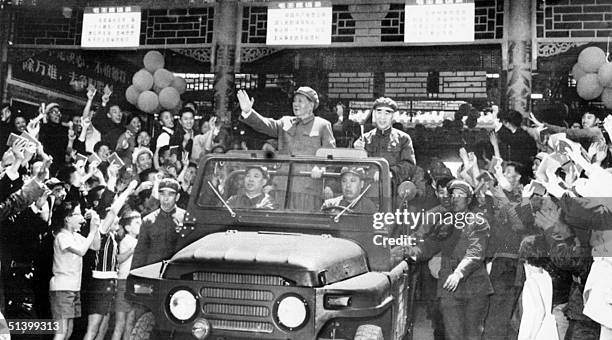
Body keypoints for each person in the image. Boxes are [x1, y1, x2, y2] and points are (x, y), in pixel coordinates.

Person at [408, 180, 492, 340]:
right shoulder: (444, 223)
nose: (455, 198)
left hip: (474, 287)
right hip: (449, 285)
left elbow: (476, 253)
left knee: (472, 335)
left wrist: (459, 273)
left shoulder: (479, 223)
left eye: (461, 195)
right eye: (453, 194)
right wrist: (411, 253)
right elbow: (429, 246)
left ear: (469, 199)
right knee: (452, 335)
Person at [49, 201, 100, 340]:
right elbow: (82, 251)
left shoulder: (75, 236)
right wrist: (92, 231)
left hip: (73, 288)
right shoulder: (62, 237)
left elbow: (95, 246)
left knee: (69, 329)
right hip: (62, 288)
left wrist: (95, 223)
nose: (82, 218)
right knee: (61, 331)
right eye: (77, 213)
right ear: (67, 218)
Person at [237, 87, 335, 155]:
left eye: (300, 101)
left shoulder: (322, 125)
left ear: (311, 106)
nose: (296, 104)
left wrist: (322, 172)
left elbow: (330, 155)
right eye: (294, 101)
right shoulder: (285, 122)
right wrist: (248, 112)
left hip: (310, 181)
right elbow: (264, 125)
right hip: (283, 179)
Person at [354, 97, 416, 186]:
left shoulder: (403, 139)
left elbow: (409, 166)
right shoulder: (364, 139)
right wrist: (358, 152)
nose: (382, 117)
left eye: (387, 113)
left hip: (393, 191)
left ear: (393, 116)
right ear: (374, 114)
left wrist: (389, 173)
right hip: (368, 191)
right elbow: (356, 167)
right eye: (379, 112)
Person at [131, 178, 186, 269]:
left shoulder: (185, 218)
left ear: (177, 197)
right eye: (162, 194)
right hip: (153, 271)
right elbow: (140, 251)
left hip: (177, 271)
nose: (166, 198)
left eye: (170, 194)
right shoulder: (148, 220)